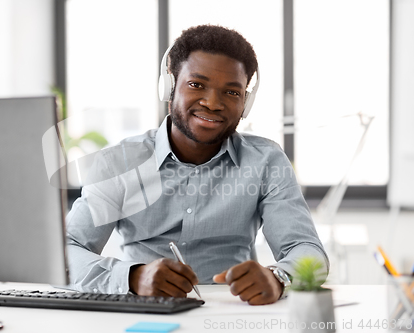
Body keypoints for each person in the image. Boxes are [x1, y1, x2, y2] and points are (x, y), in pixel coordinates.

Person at [66, 24, 328, 305]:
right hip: (146, 311)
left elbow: (308, 251)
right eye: (196, 85)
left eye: (231, 92)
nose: (213, 103)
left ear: (245, 103)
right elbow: (67, 251)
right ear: (169, 87)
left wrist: (279, 277)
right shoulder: (119, 163)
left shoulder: (266, 161)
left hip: (234, 313)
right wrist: (132, 277)